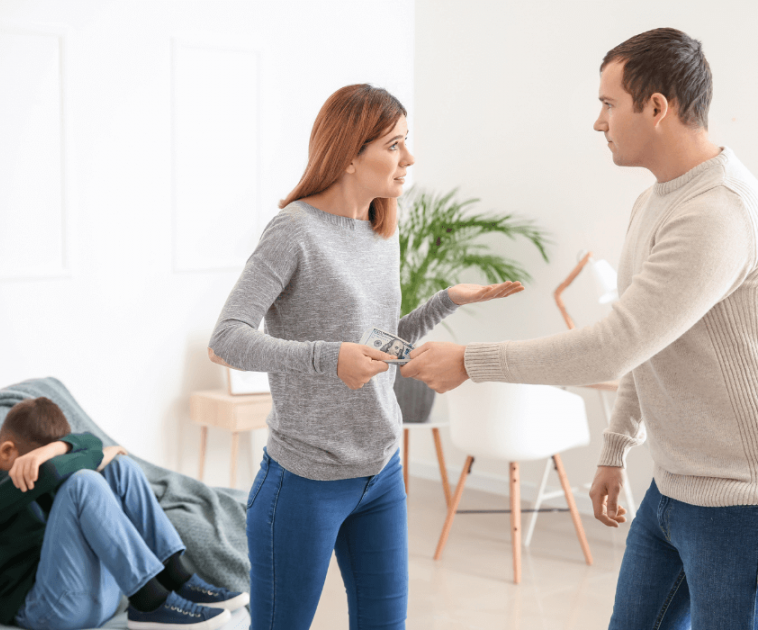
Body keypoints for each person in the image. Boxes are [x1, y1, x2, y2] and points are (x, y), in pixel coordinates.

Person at [401, 28, 758, 630]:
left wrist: (470, 361)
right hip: (676, 488)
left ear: (657, 107)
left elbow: (611, 347)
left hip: (749, 504)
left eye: (608, 104)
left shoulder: (718, 212)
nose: (598, 122)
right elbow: (646, 343)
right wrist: (614, 448)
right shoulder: (656, 201)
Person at [207, 83, 523, 630]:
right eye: (395, 144)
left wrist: (444, 301)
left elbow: (373, 343)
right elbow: (226, 339)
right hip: (304, 481)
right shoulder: (294, 231)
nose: (410, 157)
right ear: (352, 154)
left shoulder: (381, 229)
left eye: (407, 142)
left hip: (380, 470)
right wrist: (329, 358)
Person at [0, 396, 248, 630]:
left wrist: (55, 448)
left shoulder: (41, 460)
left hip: (97, 595)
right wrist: (49, 460)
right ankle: (150, 601)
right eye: (36, 457)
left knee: (120, 467)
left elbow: (93, 444)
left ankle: (177, 578)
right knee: (84, 482)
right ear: (8, 449)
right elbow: (56, 469)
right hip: (45, 610)